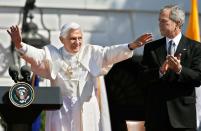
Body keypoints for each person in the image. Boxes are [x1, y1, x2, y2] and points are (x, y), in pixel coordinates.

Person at [7, 22, 153, 131]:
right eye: (72, 39)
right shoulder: (52, 54)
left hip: (86, 108)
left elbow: (109, 53)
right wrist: (20, 44)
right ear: (62, 39)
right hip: (61, 110)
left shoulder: (91, 52)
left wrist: (131, 46)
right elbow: (37, 56)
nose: (77, 42)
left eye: (80, 38)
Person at [139, 4, 201, 131]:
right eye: (159, 21)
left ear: (177, 23)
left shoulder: (195, 47)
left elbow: (198, 78)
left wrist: (179, 69)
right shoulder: (151, 48)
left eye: (164, 21)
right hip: (156, 117)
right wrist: (160, 71)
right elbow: (141, 78)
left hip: (183, 119)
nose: (160, 24)